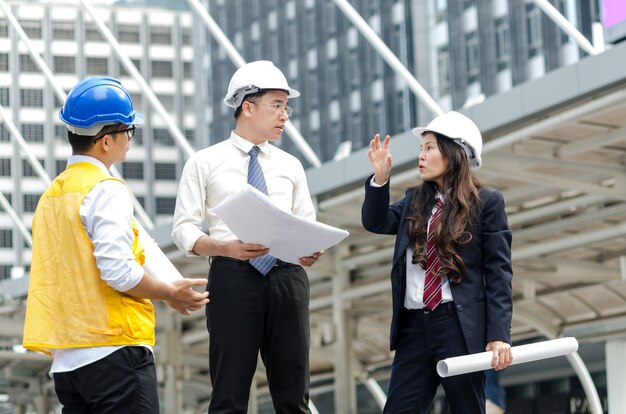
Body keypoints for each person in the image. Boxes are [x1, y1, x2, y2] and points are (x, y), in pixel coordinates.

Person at [23, 76, 210, 413]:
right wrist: (170, 293)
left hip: (69, 362)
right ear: (106, 141)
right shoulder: (106, 189)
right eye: (128, 131)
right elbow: (119, 272)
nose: (130, 139)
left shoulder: (51, 197)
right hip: (114, 352)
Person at [172, 60, 322, 414]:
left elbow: (307, 223)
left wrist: (311, 250)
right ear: (247, 107)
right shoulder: (205, 162)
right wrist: (224, 247)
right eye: (276, 105)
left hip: (288, 278)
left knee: (294, 394)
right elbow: (183, 229)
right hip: (232, 277)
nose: (285, 115)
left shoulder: (291, 165)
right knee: (229, 394)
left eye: (287, 107)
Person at [361, 111, 513, 413]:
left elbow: (499, 272)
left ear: (455, 153)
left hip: (457, 325)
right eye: (421, 148)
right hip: (414, 327)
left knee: (467, 409)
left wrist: (498, 336)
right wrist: (380, 179)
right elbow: (376, 221)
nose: (421, 155)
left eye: (429, 147)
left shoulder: (487, 203)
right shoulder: (414, 201)